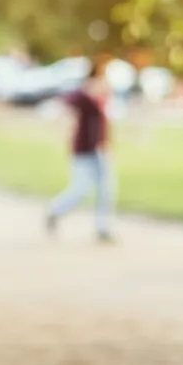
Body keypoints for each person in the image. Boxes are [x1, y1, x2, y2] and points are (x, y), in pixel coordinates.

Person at [45, 60, 116, 242]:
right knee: (79, 189)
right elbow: (64, 109)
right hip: (83, 150)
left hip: (100, 150)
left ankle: (102, 228)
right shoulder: (81, 95)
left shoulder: (103, 97)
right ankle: (55, 211)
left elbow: (104, 124)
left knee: (106, 190)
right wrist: (65, 131)